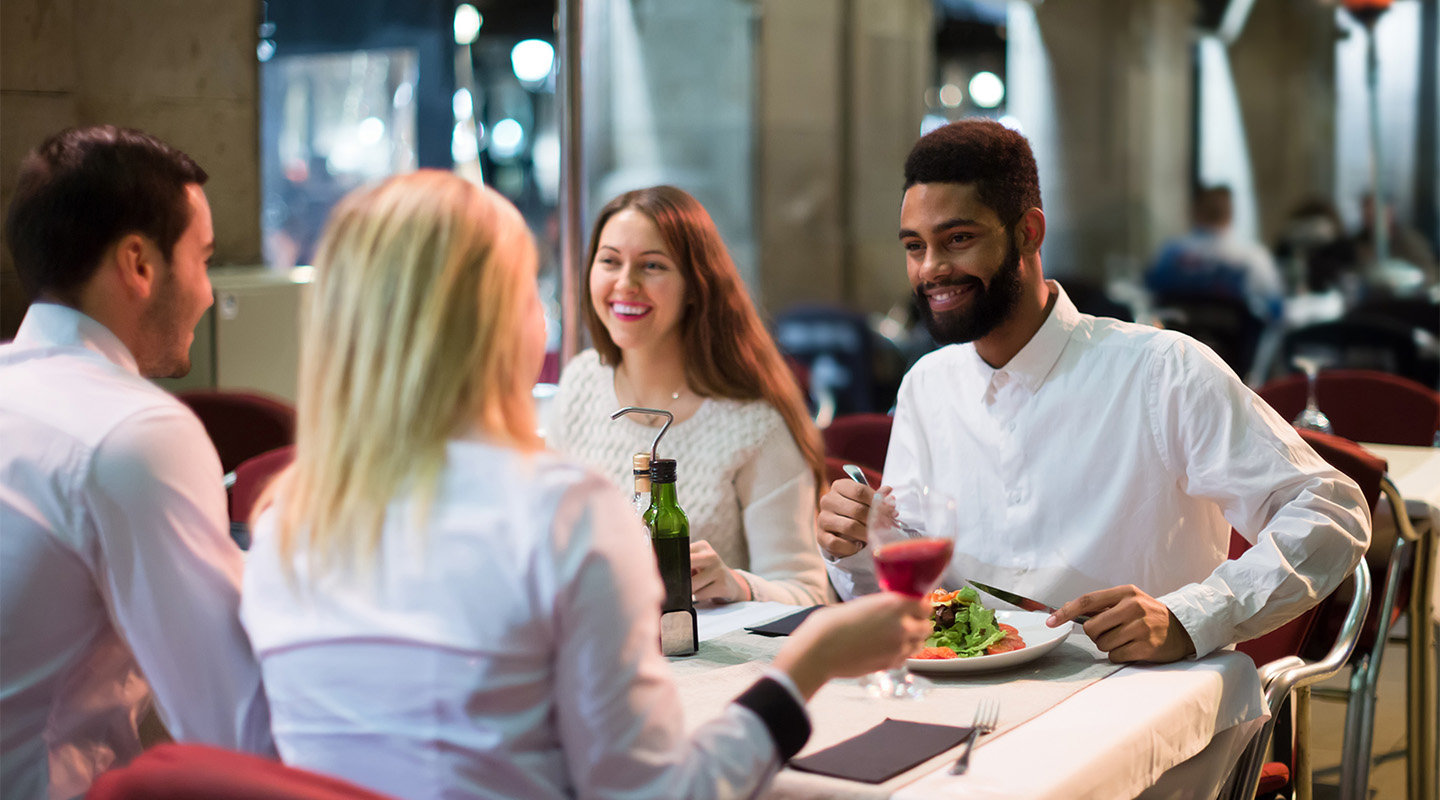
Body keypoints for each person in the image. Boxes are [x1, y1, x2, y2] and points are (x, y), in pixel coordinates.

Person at [238, 171, 930, 799]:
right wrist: (806, 667)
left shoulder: (283, 521)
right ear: (495, 321)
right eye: (527, 289)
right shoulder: (561, 513)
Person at [817, 119, 1370, 664]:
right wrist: (857, 547)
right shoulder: (927, 386)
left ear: (1028, 233)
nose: (932, 268)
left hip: (1140, 702)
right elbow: (910, 599)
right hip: (971, 703)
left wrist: (1190, 616)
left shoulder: (1161, 370)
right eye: (915, 246)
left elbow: (1332, 510)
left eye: (958, 239)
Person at [0, 126, 273, 798]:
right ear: (139, 264)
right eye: (203, 260)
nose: (210, 294)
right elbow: (234, 723)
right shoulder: (135, 432)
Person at [548, 186, 828, 605]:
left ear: (696, 286)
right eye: (610, 261)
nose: (626, 283)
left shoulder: (753, 425)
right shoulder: (581, 382)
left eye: (653, 265)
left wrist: (738, 585)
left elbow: (810, 594)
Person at [1145, 184, 1286, 323]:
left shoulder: (1170, 253)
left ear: (1195, 211)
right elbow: (1275, 309)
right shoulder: (1253, 258)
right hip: (1235, 344)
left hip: (1178, 341)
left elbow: (1149, 295)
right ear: (1230, 213)